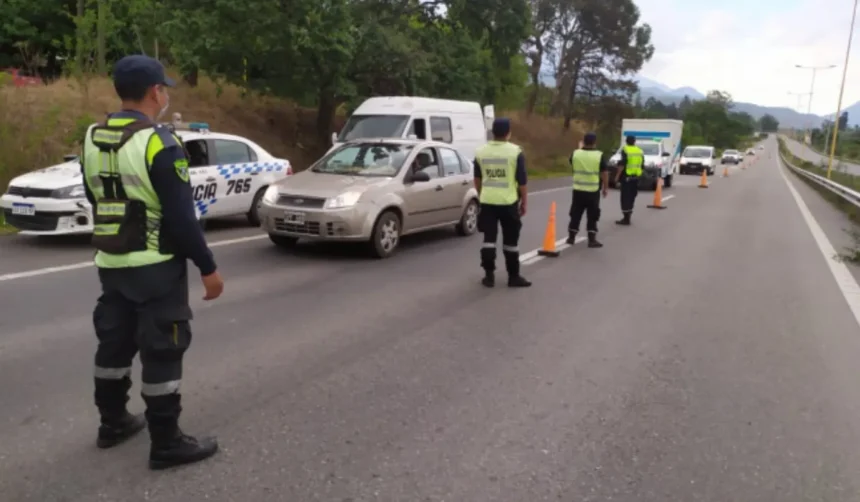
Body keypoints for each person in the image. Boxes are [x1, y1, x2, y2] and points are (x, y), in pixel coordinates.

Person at [81, 54, 224, 470]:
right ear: (154, 92)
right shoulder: (159, 142)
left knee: (114, 341)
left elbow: (95, 196)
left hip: (111, 260)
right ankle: (167, 443)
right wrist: (208, 266)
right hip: (156, 266)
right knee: (163, 348)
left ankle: (112, 424)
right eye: (164, 89)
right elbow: (181, 217)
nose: (164, 95)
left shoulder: (92, 136)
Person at [473, 118, 531, 288]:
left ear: (493, 132)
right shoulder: (515, 152)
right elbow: (522, 182)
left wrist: (482, 194)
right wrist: (524, 203)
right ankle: (513, 277)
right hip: (508, 202)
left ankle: (489, 276)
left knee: (488, 240)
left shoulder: (480, 152)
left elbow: (477, 179)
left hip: (488, 202)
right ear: (508, 133)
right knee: (511, 242)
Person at [566, 132, 610, 247]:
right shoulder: (599, 155)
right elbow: (604, 173)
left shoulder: (575, 153)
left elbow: (572, 162)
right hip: (593, 190)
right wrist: (605, 188)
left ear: (583, 141)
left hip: (578, 190)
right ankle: (591, 239)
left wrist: (580, 149)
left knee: (575, 213)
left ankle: (571, 237)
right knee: (592, 215)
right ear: (595, 142)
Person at [614, 135, 644, 226]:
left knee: (625, 198)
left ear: (626, 141)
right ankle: (628, 217)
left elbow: (622, 164)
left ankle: (626, 218)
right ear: (634, 142)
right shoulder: (640, 151)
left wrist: (617, 176)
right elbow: (642, 165)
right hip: (635, 178)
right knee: (632, 197)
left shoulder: (625, 150)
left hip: (626, 177)